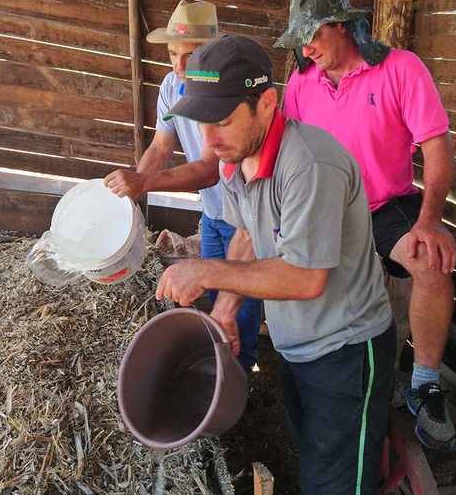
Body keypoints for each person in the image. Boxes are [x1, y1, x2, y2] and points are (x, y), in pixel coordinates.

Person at [155, 34, 395, 495]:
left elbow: (305, 278)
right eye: (201, 124)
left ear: (267, 102)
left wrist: (205, 271)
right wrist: (225, 310)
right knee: (313, 460)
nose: (209, 139)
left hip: (345, 350)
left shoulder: (309, 165)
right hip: (294, 345)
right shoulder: (235, 158)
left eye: (222, 120)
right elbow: (246, 238)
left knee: (337, 483)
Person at [274, 0, 456, 451]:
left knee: (432, 264)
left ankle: (425, 383)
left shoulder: (400, 68)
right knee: (296, 276)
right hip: (325, 208)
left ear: (341, 25)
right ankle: (316, 373)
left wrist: (430, 220)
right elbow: (287, 152)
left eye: (313, 35)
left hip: (383, 205)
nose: (307, 48)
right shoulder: (299, 84)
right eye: (300, 41)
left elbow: (437, 147)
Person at [104, 0, 263, 371]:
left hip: (248, 219)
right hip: (212, 211)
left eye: (189, 56)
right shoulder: (171, 85)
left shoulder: (222, 90)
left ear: (210, 53)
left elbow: (209, 169)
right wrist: (133, 195)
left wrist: (142, 181)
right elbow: (161, 146)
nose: (178, 66)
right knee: (214, 292)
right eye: (173, 54)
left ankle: (242, 375)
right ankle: (221, 362)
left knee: (244, 299)